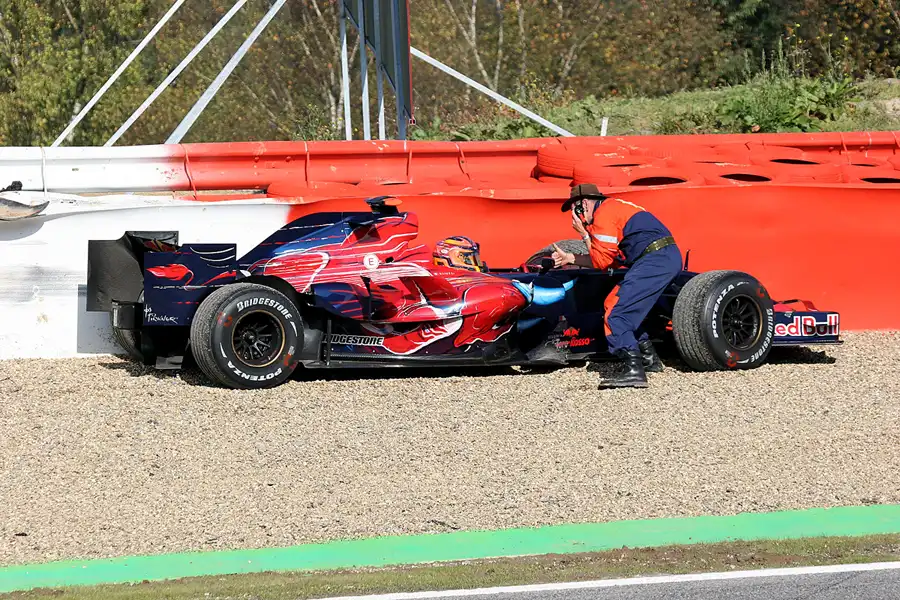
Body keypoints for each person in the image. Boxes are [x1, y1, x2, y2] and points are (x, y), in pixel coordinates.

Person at [553, 183, 683, 389]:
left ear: (583, 205)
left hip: (655, 259)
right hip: (659, 257)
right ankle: (649, 358)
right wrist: (570, 257)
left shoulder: (603, 215)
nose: (574, 217)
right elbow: (609, 259)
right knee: (621, 304)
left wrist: (585, 234)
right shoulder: (613, 209)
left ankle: (633, 370)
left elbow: (601, 262)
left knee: (616, 311)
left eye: (574, 210)